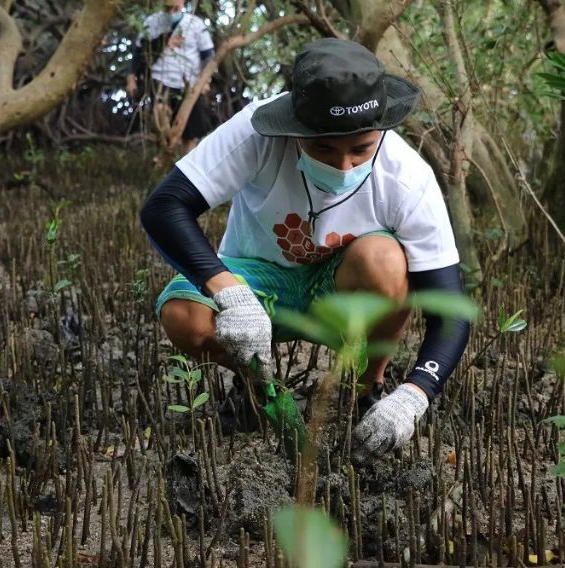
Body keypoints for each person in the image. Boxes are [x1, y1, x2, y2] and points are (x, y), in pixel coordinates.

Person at [140, 38, 471, 463]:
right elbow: (164, 207)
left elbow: (450, 309)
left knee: (386, 261)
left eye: (361, 149)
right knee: (183, 312)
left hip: (341, 288)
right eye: (324, 149)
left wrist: (416, 393)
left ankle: (367, 388)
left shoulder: (408, 177)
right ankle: (255, 385)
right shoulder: (257, 132)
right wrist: (229, 292)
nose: (344, 166)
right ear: (295, 129)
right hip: (258, 281)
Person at [126, 0, 214, 153]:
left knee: (192, 131)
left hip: (190, 84)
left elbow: (208, 55)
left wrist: (205, 80)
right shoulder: (152, 22)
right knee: (161, 117)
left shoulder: (196, 23)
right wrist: (131, 77)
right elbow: (140, 53)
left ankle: (187, 163)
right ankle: (166, 154)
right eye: (168, 7)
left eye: (176, 7)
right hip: (161, 80)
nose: (172, 10)